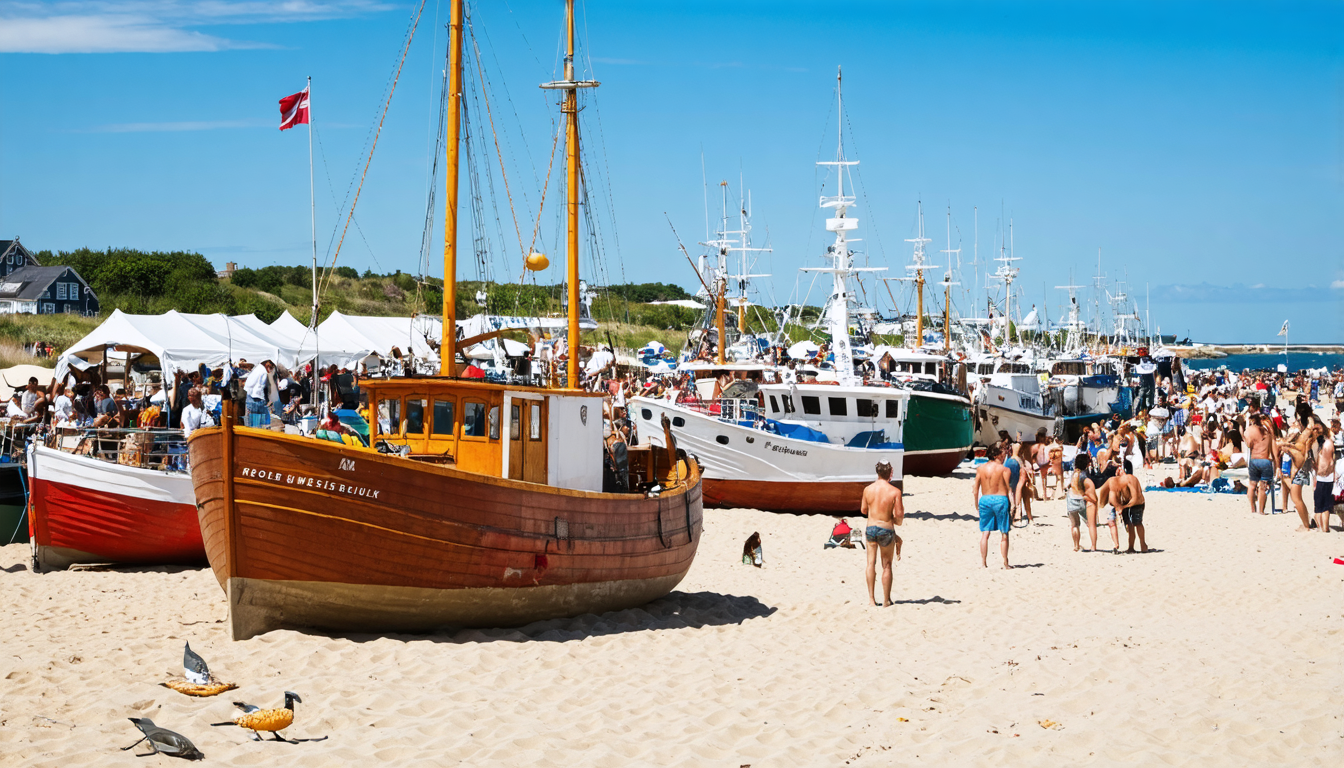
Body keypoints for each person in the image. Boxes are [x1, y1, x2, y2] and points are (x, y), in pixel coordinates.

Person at [860, 461, 904, 607]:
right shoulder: (895, 492)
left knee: (870, 563)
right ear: (890, 472)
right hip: (886, 529)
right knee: (887, 565)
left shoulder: (867, 490)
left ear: (877, 472)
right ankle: (886, 600)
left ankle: (871, 600)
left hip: (871, 528)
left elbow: (863, 510)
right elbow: (899, 518)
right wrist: (889, 518)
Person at [973, 444, 1012, 569]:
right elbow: (1008, 489)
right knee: (1004, 533)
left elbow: (975, 489)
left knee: (985, 533)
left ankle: (983, 563)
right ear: (996, 455)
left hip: (985, 499)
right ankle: (1005, 563)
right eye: (1002, 452)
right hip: (1001, 499)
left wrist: (976, 504)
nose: (1005, 454)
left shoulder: (980, 469)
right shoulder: (1004, 469)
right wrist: (1014, 505)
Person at [1106, 460, 1148, 553]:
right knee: (1129, 525)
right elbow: (1111, 499)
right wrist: (1118, 506)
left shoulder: (1130, 479)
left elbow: (1135, 498)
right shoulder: (1117, 480)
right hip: (1126, 503)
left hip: (1137, 503)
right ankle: (1131, 547)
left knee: (1137, 523)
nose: (1117, 470)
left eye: (1119, 468)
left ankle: (1143, 544)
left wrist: (1122, 507)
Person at [1066, 452, 1099, 552]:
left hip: (1071, 500)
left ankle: (1076, 545)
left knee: (1074, 525)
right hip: (1081, 500)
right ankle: (1093, 546)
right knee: (1090, 524)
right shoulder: (1084, 476)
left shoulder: (1073, 474)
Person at [243, 360, 275, 427]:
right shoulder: (262, 371)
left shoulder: (258, 369)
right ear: (267, 365)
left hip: (253, 397)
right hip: (256, 398)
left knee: (254, 422)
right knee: (262, 422)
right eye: (271, 367)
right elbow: (251, 383)